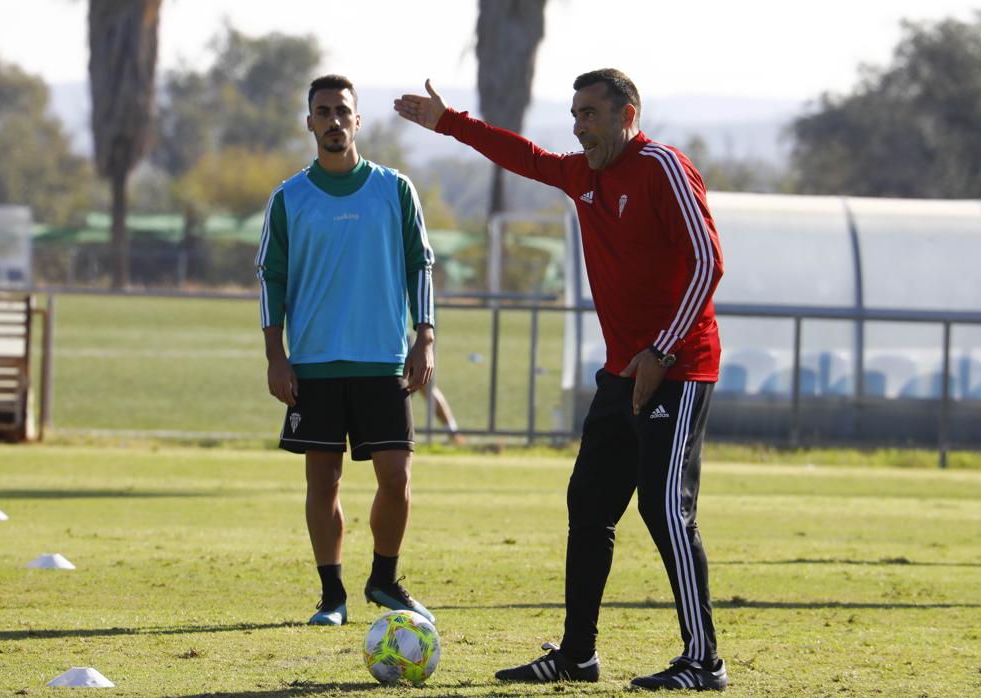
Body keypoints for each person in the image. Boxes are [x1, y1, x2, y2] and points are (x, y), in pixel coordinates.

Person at [395, 68, 727, 691]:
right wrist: (450, 123)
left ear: (629, 114)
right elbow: (526, 157)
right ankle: (577, 657)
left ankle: (704, 660)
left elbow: (709, 262)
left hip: (680, 368)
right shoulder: (583, 176)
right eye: (575, 115)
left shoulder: (663, 167)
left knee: (665, 509)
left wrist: (661, 349)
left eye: (591, 114)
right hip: (621, 372)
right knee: (589, 507)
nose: (580, 127)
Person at [257, 74, 436, 626]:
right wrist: (276, 355)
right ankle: (331, 596)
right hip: (312, 362)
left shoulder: (394, 189)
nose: (334, 120)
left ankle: (383, 581)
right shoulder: (289, 198)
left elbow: (420, 264)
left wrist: (424, 335)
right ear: (309, 122)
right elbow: (271, 277)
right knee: (323, 481)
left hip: (383, 359)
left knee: (397, 477)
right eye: (323, 112)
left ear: (358, 121)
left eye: (343, 111)